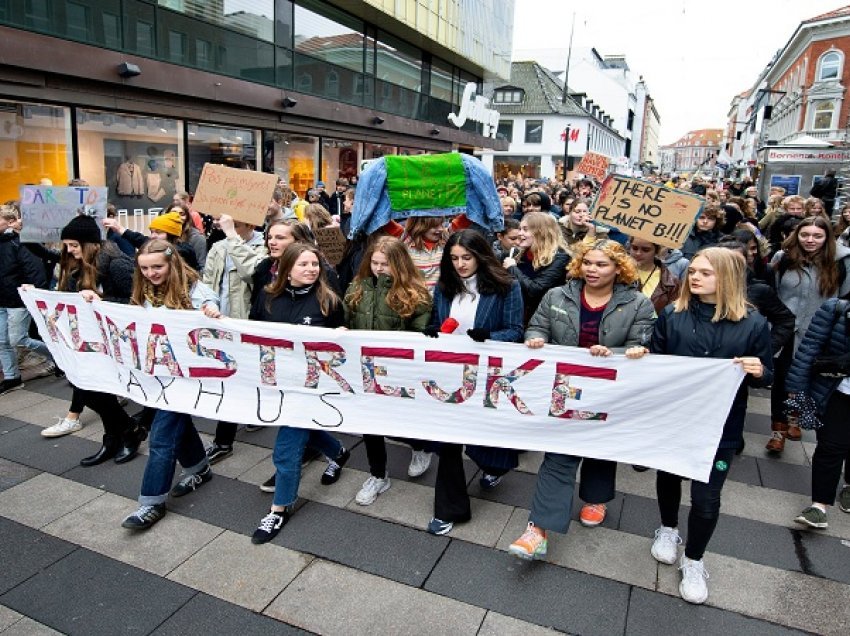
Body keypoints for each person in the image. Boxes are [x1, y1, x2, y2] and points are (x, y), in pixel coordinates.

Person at [508, 240, 654, 554]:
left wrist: (613, 354)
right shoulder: (557, 295)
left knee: (600, 448)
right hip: (563, 390)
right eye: (588, 263)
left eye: (601, 265)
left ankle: (595, 497)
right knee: (558, 455)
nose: (592, 269)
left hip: (608, 391)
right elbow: (537, 326)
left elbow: (641, 344)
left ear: (619, 268)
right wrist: (535, 339)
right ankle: (538, 529)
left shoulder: (638, 304)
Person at [646, 247, 772, 604]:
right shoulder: (672, 314)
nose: (695, 277)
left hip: (721, 427)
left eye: (705, 272)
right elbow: (656, 363)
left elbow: (766, 375)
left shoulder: (754, 323)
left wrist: (760, 370)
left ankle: (695, 560)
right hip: (676, 419)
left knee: (706, 497)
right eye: (694, 271)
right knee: (669, 477)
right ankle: (668, 528)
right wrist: (644, 356)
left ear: (728, 278)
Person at [249, 243, 350, 544]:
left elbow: (345, 347)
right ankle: (338, 452)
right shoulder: (266, 298)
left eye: (315, 264)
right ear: (286, 269)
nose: (311, 269)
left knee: (286, 447)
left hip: (312, 386)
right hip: (278, 383)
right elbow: (250, 333)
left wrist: (342, 335)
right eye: (303, 264)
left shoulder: (329, 301)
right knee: (302, 427)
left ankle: (279, 508)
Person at [426, 230, 524, 535]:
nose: (460, 264)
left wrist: (490, 338)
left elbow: (516, 330)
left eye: (466, 257)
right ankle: (449, 509)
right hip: (451, 376)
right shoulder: (444, 287)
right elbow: (435, 318)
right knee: (449, 442)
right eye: (454, 258)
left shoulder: (507, 287)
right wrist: (431, 329)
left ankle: (497, 465)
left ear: (480, 255)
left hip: (487, 375)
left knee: (486, 442)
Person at [121, 240, 221, 530]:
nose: (151, 273)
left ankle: (150, 503)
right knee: (177, 424)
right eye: (145, 268)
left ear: (172, 263)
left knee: (162, 437)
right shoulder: (144, 290)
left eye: (157, 267)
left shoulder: (196, 290)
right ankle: (199, 469)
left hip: (187, 378)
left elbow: (211, 308)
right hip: (161, 374)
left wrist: (212, 312)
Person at [344, 236, 434, 505]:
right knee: (370, 425)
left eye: (385, 264)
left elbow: (419, 335)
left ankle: (420, 446)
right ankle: (378, 475)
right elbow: (348, 320)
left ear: (399, 264)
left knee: (400, 418)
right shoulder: (357, 286)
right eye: (375, 262)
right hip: (364, 369)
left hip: (396, 371)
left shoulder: (416, 294)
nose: (379, 268)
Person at [47, 215, 143, 461]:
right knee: (90, 389)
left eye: (74, 246)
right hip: (90, 342)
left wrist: (102, 301)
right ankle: (120, 433)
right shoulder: (78, 269)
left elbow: (135, 304)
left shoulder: (117, 264)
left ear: (89, 244)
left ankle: (124, 432)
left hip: (115, 341)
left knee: (94, 390)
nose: (70, 251)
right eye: (67, 246)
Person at [766, 216, 850, 453]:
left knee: (806, 379)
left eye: (817, 236)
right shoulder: (783, 259)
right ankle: (778, 430)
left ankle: (796, 417)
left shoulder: (842, 262)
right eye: (805, 235)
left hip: (820, 333)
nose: (810, 240)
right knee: (782, 380)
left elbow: (845, 302)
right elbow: (773, 294)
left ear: (827, 238)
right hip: (786, 332)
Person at [786, 296, 850, 529]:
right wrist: (796, 388)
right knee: (831, 447)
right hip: (839, 391)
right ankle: (819, 506)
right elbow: (809, 348)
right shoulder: (836, 309)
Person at [0, 205, 56, 395]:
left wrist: (34, 293)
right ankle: (11, 377)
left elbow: (33, 270)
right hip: (2, 300)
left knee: (18, 339)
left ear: (9, 222)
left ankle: (56, 355)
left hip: (17, 299)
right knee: (2, 341)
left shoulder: (20, 242)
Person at [502, 211, 570, 323]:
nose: (520, 233)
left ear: (541, 232)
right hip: (516, 314)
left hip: (542, 319)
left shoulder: (559, 258)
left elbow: (535, 290)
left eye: (525, 229)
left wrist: (512, 268)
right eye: (520, 229)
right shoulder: (518, 255)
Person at [628, 237, 680, 314]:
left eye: (645, 250)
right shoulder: (618, 272)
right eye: (634, 248)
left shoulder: (671, 282)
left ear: (656, 251)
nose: (638, 253)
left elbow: (671, 316)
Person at [402, 216, 446, 292]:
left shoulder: (445, 240)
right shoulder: (406, 243)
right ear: (420, 226)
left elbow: (468, 216)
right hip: (416, 300)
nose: (441, 229)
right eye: (435, 226)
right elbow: (382, 221)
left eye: (441, 224)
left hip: (440, 301)